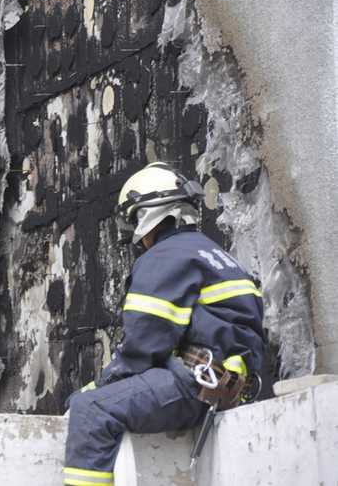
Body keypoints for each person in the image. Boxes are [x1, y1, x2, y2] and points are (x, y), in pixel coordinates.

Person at [62, 162, 266, 486]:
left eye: (134, 220)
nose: (135, 236)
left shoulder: (164, 256)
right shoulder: (215, 254)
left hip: (192, 387)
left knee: (90, 410)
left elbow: (145, 344)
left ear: (149, 214)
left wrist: (101, 385)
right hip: (223, 386)